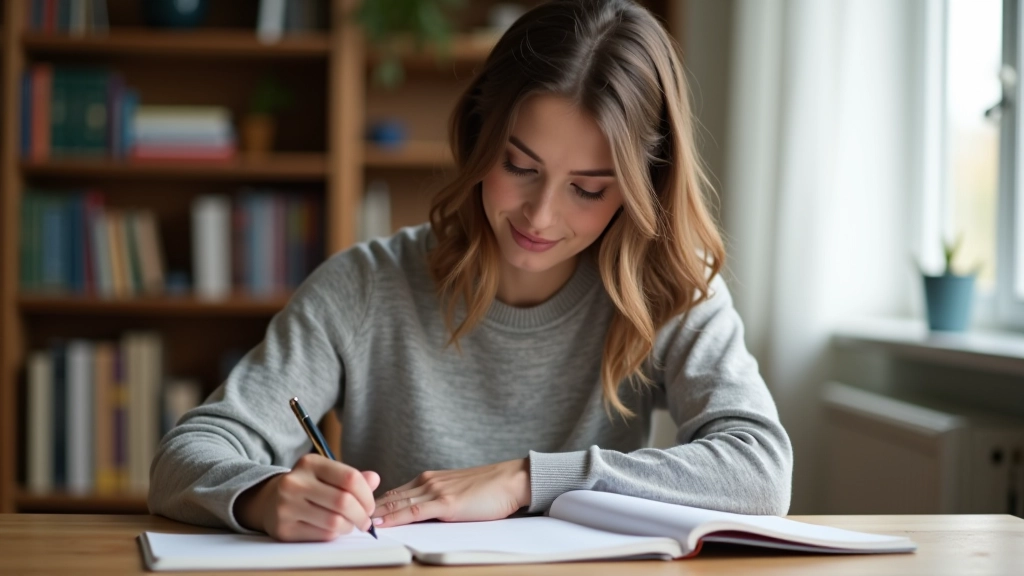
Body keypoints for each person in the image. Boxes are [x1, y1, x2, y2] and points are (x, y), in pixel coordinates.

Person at [149, 0, 793, 542]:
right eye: (519, 167)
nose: (541, 216)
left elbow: (760, 471)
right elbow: (184, 458)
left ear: (638, 188)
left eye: (588, 190)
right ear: (479, 136)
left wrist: (525, 479)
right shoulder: (364, 285)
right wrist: (264, 496)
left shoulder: (670, 290)